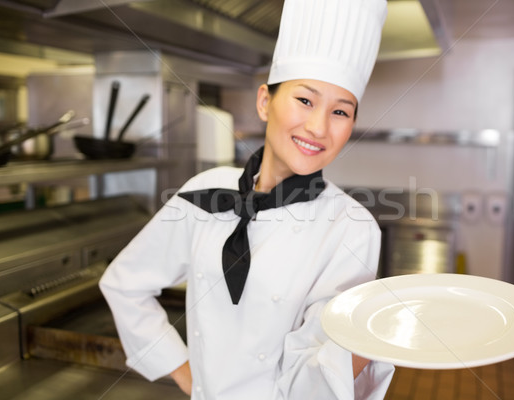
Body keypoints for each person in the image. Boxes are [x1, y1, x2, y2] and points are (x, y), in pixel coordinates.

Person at [99, 0, 395, 398]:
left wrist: (362, 350)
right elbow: (125, 285)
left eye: (340, 112)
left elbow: (317, 380)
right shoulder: (203, 192)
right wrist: (189, 377)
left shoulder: (352, 228)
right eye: (305, 100)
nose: (318, 127)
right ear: (264, 102)